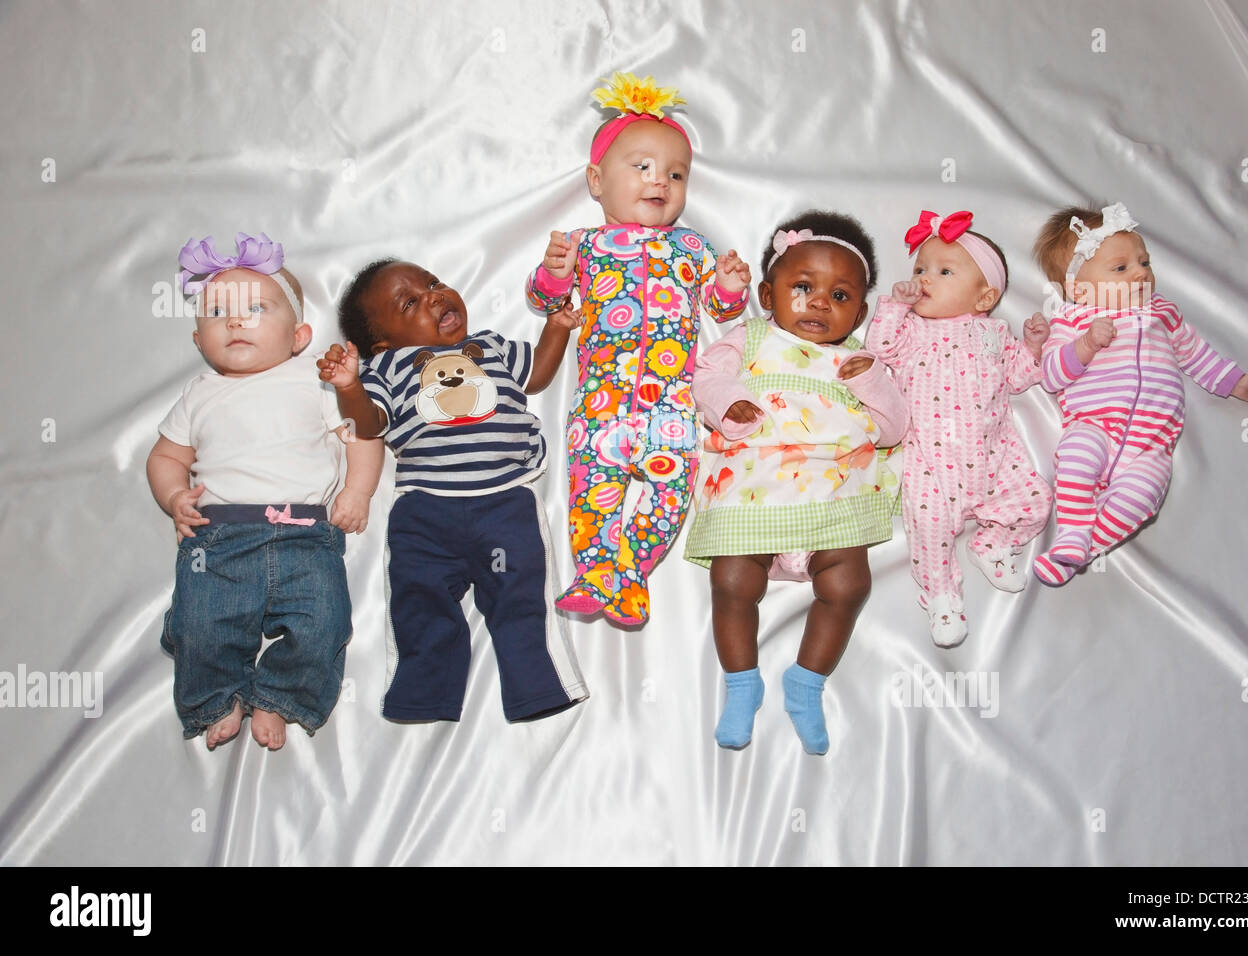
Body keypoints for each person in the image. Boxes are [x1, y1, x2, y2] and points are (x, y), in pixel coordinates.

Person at [318, 259, 588, 723]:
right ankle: (424, 693)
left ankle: (538, 686)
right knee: (418, 599)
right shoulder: (386, 369)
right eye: (411, 303)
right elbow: (369, 425)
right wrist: (349, 387)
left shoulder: (489, 347)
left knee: (521, 595)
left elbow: (538, 375)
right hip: (426, 512)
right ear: (383, 342)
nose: (435, 296)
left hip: (505, 501)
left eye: (434, 283)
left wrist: (558, 327)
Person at [525, 72, 751, 625]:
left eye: (676, 173)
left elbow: (721, 312)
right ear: (596, 181)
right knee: (591, 494)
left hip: (671, 411)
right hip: (600, 406)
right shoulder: (585, 244)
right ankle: (596, 572)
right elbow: (541, 294)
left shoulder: (691, 246)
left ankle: (628, 574)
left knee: (672, 494)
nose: (660, 182)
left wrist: (728, 285)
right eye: (642, 167)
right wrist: (555, 273)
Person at [148, 233, 384, 750]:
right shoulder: (199, 394)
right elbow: (166, 457)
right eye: (217, 313)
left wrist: (357, 492)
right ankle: (218, 698)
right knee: (202, 627)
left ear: (299, 335)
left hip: (304, 536)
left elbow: (364, 434)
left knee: (324, 623)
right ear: (197, 341)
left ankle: (279, 694)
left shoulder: (315, 379)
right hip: (219, 540)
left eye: (256, 308)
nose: (235, 321)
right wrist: (173, 496)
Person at [685, 211, 907, 754]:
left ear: (859, 311)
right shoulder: (751, 338)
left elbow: (894, 428)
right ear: (767, 292)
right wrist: (728, 404)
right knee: (733, 582)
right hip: (754, 496)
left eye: (840, 296)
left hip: (831, 500)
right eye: (803, 287)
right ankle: (742, 684)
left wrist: (874, 380)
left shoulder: (857, 360)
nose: (818, 303)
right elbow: (706, 379)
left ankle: (807, 682)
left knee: (849, 584)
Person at [1031, 203, 1248, 585]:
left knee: (1144, 498)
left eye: (1144, 262)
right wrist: (1087, 345)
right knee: (1076, 456)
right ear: (1080, 287)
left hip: (1152, 443)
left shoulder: (1164, 313)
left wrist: (1236, 383)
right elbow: (1051, 375)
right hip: (1095, 425)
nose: (1142, 271)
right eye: (1122, 267)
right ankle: (1073, 529)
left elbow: (1197, 355)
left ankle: (1080, 552)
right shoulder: (1072, 320)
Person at [867, 211, 1051, 646]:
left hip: (994, 458)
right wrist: (895, 304)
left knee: (1037, 500)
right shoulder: (911, 330)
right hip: (932, 463)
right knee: (927, 525)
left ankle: (992, 543)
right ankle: (942, 597)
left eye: (944, 271)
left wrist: (1034, 346)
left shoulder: (993, 333)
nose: (926, 279)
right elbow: (880, 346)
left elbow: (1018, 376)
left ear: (985, 297)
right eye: (920, 269)